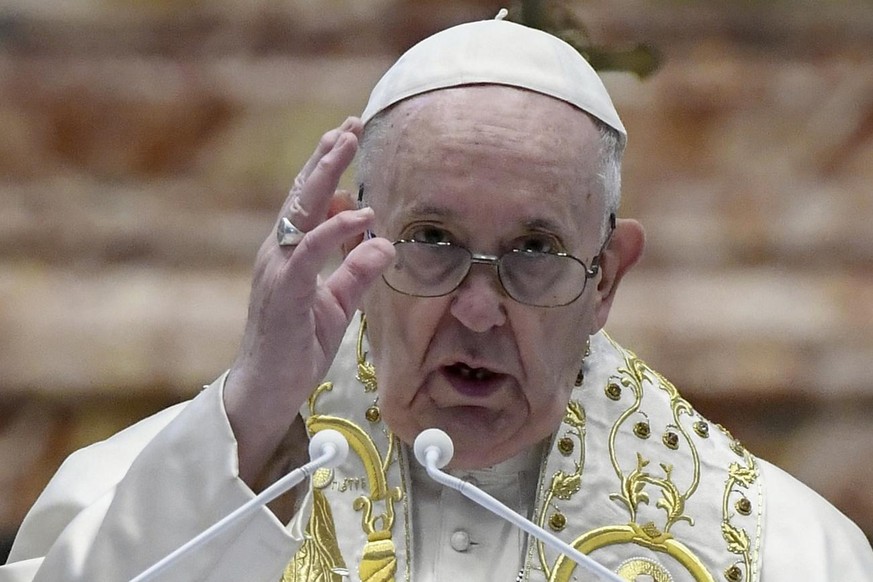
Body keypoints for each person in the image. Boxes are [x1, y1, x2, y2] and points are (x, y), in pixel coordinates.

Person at [2, 14, 872, 582]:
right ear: (353, 244)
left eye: (534, 250)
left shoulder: (789, 555)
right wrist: (251, 417)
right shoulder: (126, 498)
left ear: (604, 276)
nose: (479, 310)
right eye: (432, 241)